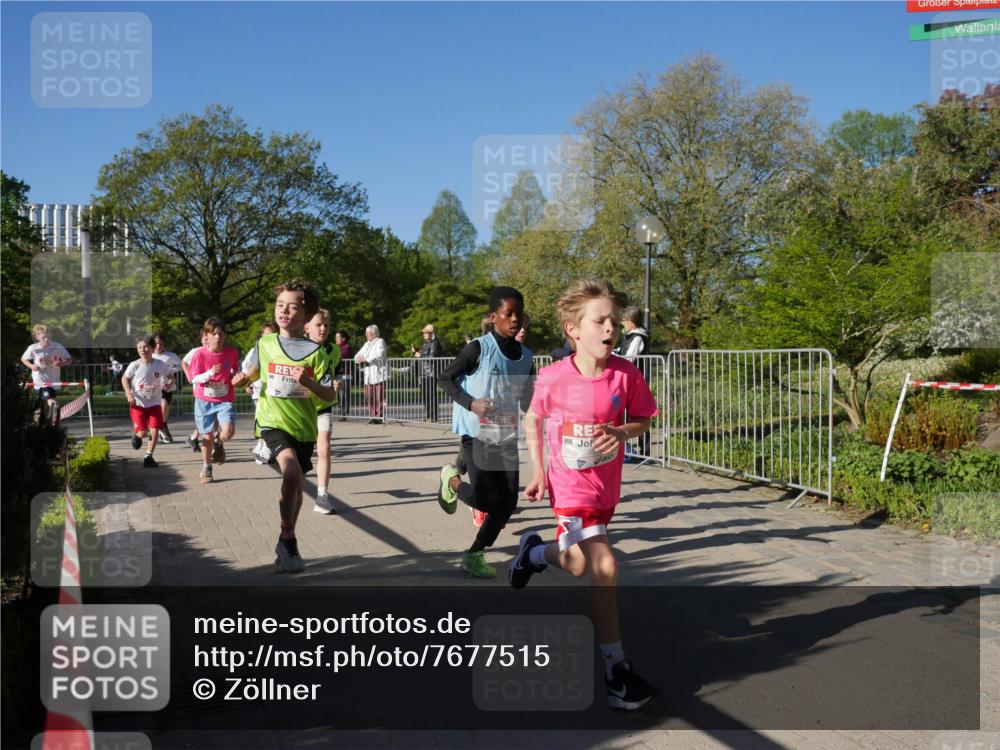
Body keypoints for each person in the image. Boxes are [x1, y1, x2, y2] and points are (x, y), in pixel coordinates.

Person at [508, 280, 659, 710]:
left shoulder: (625, 375)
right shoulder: (553, 377)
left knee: (576, 565)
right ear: (574, 329)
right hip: (568, 485)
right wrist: (538, 471)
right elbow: (534, 421)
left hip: (604, 487)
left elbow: (644, 419)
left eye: (614, 320)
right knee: (604, 564)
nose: (610, 328)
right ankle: (617, 672)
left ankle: (534, 554)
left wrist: (621, 431)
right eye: (600, 321)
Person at [232, 280, 337, 574]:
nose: (284, 312)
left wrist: (310, 383)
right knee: (291, 474)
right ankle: (288, 538)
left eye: (292, 307)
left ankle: (286, 539)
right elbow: (254, 372)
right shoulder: (265, 344)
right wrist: (244, 380)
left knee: (297, 484)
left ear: (306, 315)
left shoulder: (317, 353)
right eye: (280, 306)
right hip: (272, 422)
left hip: (303, 427)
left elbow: (330, 395)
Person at [436, 287, 534, 578]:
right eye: (509, 314)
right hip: (475, 432)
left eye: (519, 314)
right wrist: (472, 403)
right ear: (494, 317)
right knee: (488, 500)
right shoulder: (477, 348)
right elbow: (445, 378)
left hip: (505, 434)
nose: (515, 319)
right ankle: (451, 479)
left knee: (508, 504)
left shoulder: (527, 356)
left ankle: (474, 554)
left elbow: (528, 400)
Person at [187, 318, 240, 484]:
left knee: (229, 432)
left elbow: (234, 371)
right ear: (206, 336)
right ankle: (207, 467)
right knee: (207, 436)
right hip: (204, 399)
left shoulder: (232, 352)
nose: (218, 337)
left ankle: (219, 443)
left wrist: (238, 377)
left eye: (221, 334)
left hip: (225, 399)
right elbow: (193, 379)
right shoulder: (199, 354)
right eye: (214, 333)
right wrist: (209, 373)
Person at [305, 309, 341, 514]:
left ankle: (322, 497)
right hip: (301, 407)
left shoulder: (334, 351)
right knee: (301, 454)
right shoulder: (298, 349)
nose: (323, 328)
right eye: (319, 324)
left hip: (323, 406)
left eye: (326, 325)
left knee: (325, 448)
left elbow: (335, 374)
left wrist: (337, 384)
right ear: (306, 327)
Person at [122, 335, 165, 468]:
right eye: (139, 347)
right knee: (143, 433)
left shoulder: (160, 364)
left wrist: (169, 382)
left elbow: (170, 376)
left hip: (155, 402)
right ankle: (136, 434)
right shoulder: (134, 365)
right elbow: (124, 378)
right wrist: (129, 394)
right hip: (138, 403)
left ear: (152, 348)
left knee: (155, 429)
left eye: (145, 347)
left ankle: (148, 456)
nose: (142, 350)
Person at [615, 306, 651, 461]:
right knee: (627, 415)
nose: (622, 324)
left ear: (632, 322)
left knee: (639, 416)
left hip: (636, 380)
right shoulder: (630, 336)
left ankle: (645, 452)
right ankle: (628, 449)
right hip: (629, 379)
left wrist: (616, 357)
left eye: (624, 321)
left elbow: (630, 358)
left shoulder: (638, 337)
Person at [21, 324, 73, 425]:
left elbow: (70, 360)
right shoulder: (33, 348)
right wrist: (31, 366)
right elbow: (23, 359)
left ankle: (46, 425)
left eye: (48, 336)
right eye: (44, 337)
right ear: (37, 337)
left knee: (42, 405)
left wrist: (61, 363)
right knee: (50, 400)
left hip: (54, 380)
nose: (47, 339)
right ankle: (52, 414)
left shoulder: (57, 347)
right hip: (40, 381)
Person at [246, 321, 279, 464]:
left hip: (276, 393)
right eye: (265, 335)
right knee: (261, 420)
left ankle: (266, 446)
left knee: (273, 421)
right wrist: (247, 383)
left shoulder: (280, 349)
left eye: (272, 335)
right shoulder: (256, 350)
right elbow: (248, 369)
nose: (268, 338)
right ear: (261, 335)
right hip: (259, 392)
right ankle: (262, 445)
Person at [354, 325, 388, 424]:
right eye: (367, 333)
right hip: (368, 374)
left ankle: (379, 417)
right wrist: (358, 359)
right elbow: (358, 354)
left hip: (379, 373)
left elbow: (379, 353)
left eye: (369, 333)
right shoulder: (367, 344)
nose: (367, 335)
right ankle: (372, 415)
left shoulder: (380, 341)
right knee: (368, 396)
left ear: (375, 333)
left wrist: (366, 359)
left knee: (379, 397)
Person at [151, 333, 181, 444]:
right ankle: (161, 428)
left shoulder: (171, 355)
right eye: (156, 344)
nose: (158, 346)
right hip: (153, 387)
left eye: (161, 344)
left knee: (164, 408)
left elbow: (181, 365)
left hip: (167, 386)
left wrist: (171, 371)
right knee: (158, 409)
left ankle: (161, 427)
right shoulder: (150, 355)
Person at [412, 323, 443, 422]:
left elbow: (432, 357)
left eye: (426, 332)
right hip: (423, 372)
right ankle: (428, 414)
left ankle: (434, 416)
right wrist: (416, 351)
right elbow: (423, 354)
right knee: (425, 395)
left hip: (431, 372)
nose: (424, 334)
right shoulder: (425, 343)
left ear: (431, 333)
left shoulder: (435, 343)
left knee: (431, 394)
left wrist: (419, 355)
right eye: (424, 332)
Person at [334, 330, 354, 421]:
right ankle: (341, 411)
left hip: (346, 374)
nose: (336, 339)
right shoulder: (335, 347)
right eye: (336, 337)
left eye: (337, 337)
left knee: (344, 395)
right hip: (337, 374)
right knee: (338, 395)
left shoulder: (347, 347)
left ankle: (344, 413)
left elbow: (340, 356)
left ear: (343, 338)